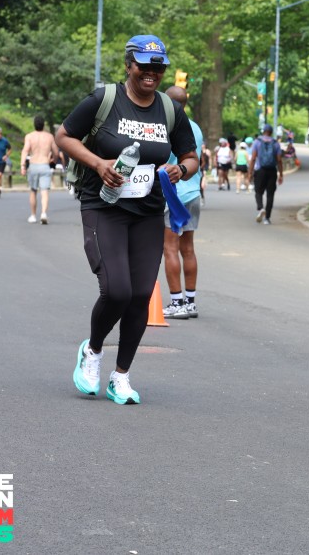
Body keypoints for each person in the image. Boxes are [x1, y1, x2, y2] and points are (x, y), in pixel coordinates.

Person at [56, 34, 197, 405]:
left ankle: (121, 376)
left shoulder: (169, 109)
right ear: (129, 65)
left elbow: (191, 156)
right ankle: (93, 351)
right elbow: (65, 136)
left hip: (148, 212)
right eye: (144, 66)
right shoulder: (104, 100)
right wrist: (98, 164)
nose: (151, 73)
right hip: (103, 207)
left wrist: (181, 169)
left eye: (158, 68)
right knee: (117, 290)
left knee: (140, 295)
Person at [161, 86, 204, 320]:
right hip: (193, 192)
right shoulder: (195, 127)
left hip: (173, 193)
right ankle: (190, 302)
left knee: (170, 248)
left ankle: (176, 302)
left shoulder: (167, 126)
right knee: (188, 249)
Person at [20, 114, 59, 224]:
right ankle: (43, 213)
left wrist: (22, 165)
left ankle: (33, 215)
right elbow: (56, 152)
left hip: (33, 165)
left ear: (34, 124)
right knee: (44, 191)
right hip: (45, 165)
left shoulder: (29, 136)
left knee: (33, 191)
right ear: (43, 125)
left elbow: (25, 150)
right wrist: (54, 160)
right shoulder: (49, 137)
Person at [249, 123, 284, 224]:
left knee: (258, 192)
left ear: (263, 131)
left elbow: (253, 158)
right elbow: (279, 160)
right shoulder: (275, 143)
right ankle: (267, 218)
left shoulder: (257, 142)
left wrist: (250, 172)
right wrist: (281, 174)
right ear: (271, 132)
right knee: (270, 195)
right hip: (272, 171)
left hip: (260, 170)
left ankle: (261, 208)